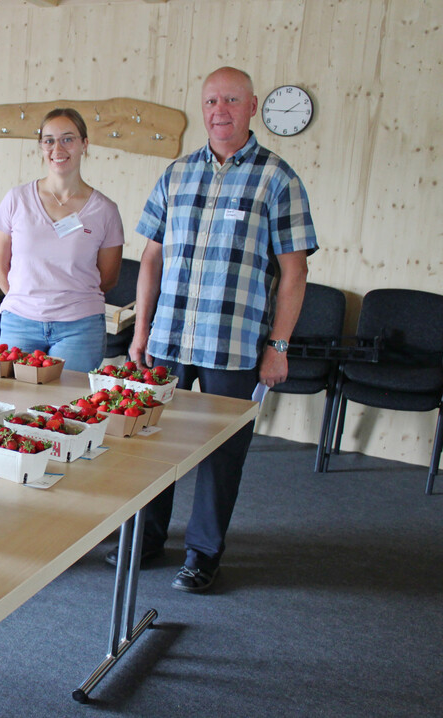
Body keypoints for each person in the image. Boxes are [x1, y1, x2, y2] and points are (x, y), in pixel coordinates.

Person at [113, 67, 318, 592]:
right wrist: (141, 332)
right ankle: (149, 537)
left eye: (230, 100)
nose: (219, 111)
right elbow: (151, 258)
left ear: (251, 107)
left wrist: (279, 346)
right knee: (150, 441)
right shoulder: (176, 175)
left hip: (235, 344)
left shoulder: (279, 179)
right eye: (210, 101)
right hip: (168, 339)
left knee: (222, 456)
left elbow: (295, 272)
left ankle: (203, 554)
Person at [0, 108, 124, 373]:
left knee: (67, 408)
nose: (57, 148)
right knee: (15, 406)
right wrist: (25, 299)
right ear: (41, 146)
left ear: (84, 144)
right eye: (49, 140)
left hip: (79, 327)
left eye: (68, 139)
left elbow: (108, 278)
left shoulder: (105, 210)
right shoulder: (16, 199)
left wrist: (66, 303)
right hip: (20, 323)